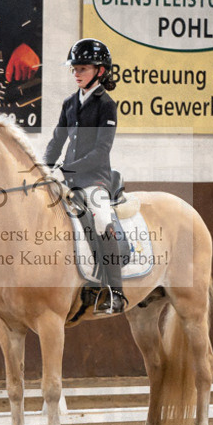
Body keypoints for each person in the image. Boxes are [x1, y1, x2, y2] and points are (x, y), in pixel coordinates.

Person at [44, 38, 127, 315]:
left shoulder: (107, 105)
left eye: (83, 68)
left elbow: (101, 152)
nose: (76, 72)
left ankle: (116, 292)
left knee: (102, 219)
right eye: (74, 68)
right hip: (67, 180)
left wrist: (67, 169)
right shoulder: (70, 103)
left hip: (95, 180)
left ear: (100, 71)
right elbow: (57, 141)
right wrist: (44, 169)